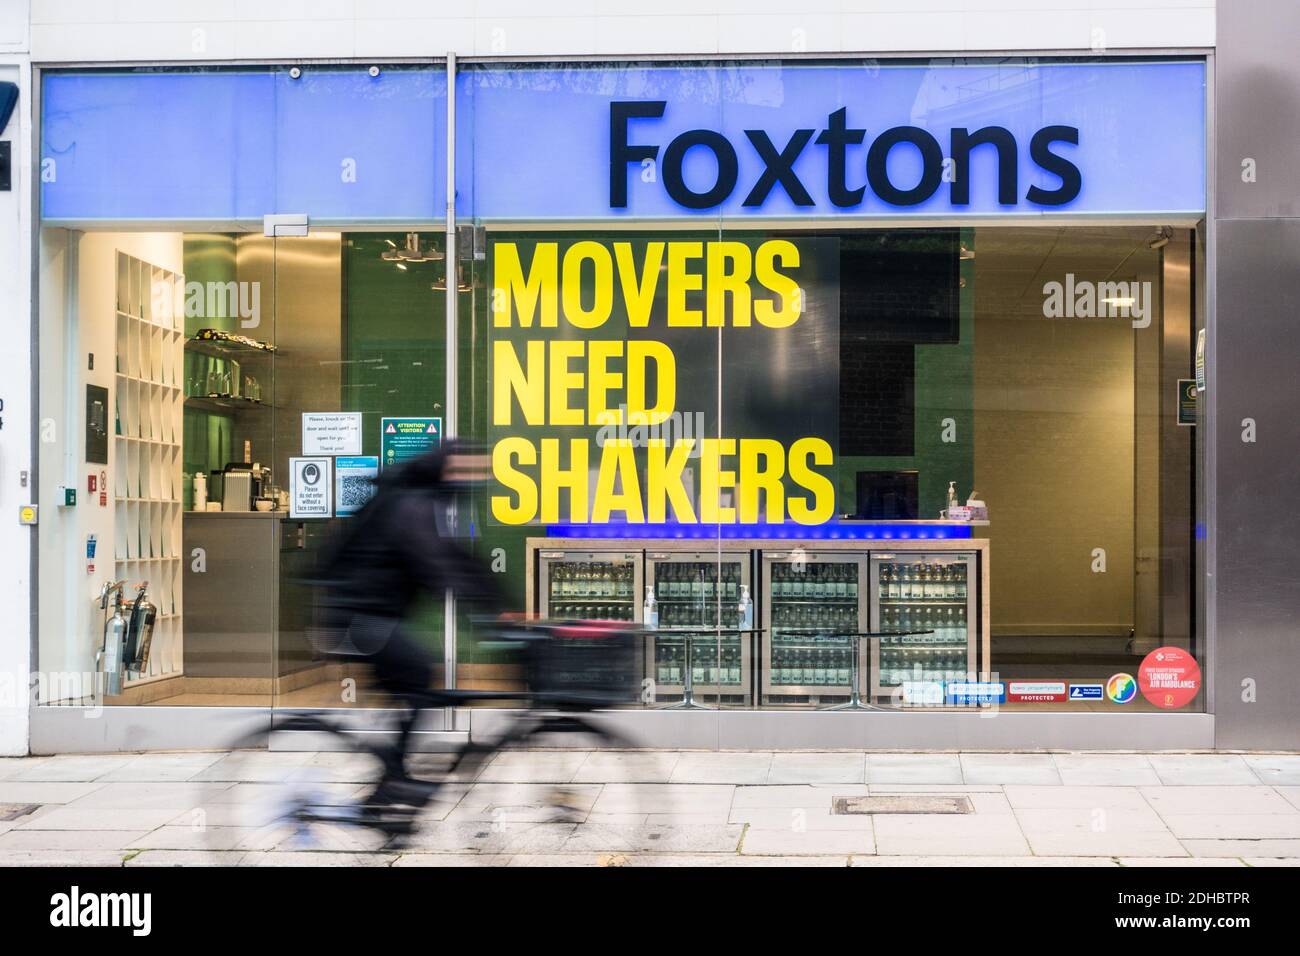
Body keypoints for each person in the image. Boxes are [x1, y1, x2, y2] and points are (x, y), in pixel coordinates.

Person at [314, 441, 501, 808]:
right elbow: (437, 565)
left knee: (416, 678)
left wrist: (501, 608)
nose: (473, 479)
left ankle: (393, 773)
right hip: (355, 618)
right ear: (446, 470)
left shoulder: (426, 500)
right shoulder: (411, 504)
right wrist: (487, 616)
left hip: (371, 614)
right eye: (467, 470)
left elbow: (460, 558)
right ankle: (393, 780)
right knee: (418, 671)